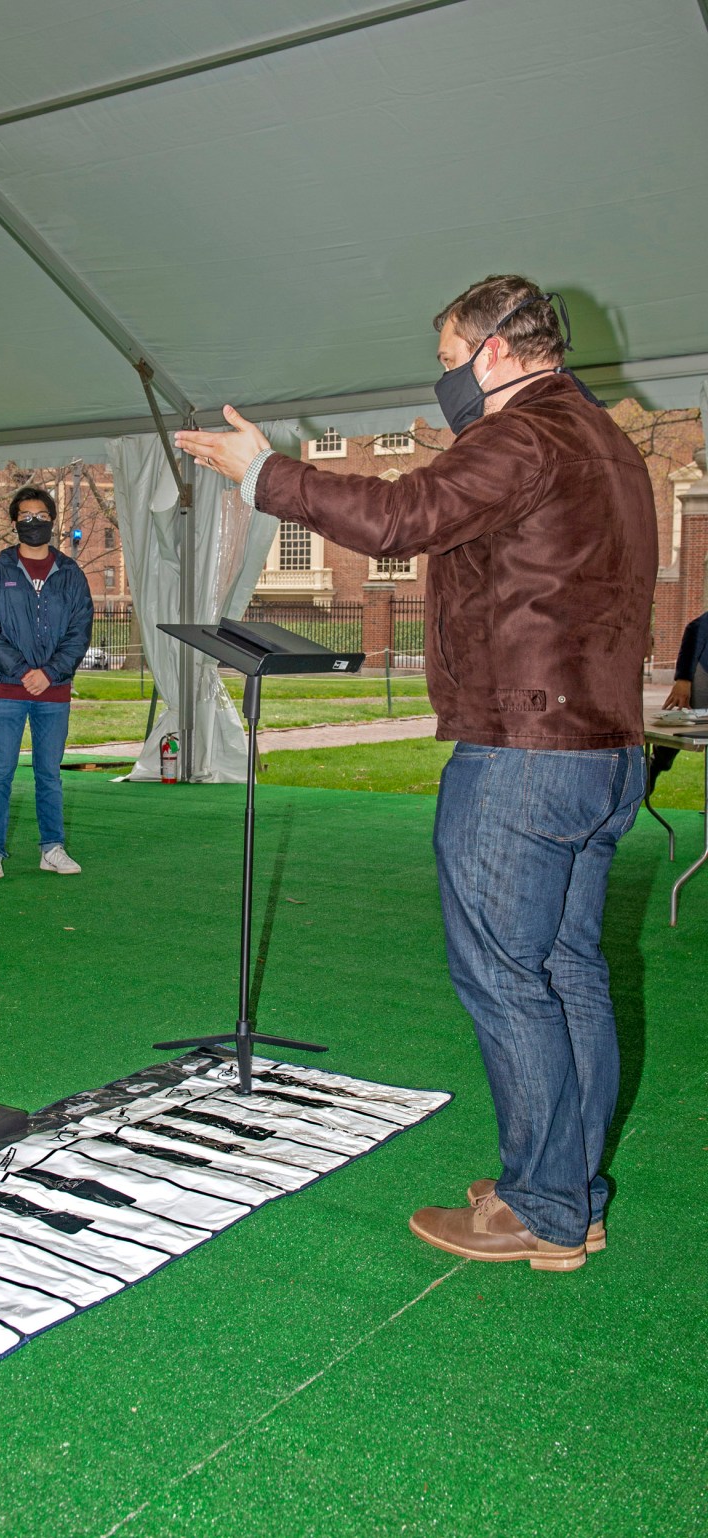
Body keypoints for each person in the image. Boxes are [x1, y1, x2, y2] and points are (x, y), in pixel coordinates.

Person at [176, 275, 657, 1272]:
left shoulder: (523, 433)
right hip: (605, 747)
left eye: (446, 361)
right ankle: (567, 1187)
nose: (441, 381)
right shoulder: (605, 440)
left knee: (507, 975)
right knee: (570, 972)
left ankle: (542, 1210)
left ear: (492, 353)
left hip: (525, 752)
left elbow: (403, 516)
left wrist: (266, 472)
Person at [0, 486, 93, 880]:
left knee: (49, 774)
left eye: (40, 516)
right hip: (6, 689)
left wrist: (51, 673)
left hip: (53, 694)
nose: (33, 523)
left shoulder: (71, 574)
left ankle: (52, 848)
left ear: (52, 521)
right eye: (25, 517)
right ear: (14, 523)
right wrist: (23, 671)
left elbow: (80, 630)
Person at [648, 609, 708, 791]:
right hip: (705, 672)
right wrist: (683, 679)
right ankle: (654, 766)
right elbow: (695, 629)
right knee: (687, 722)